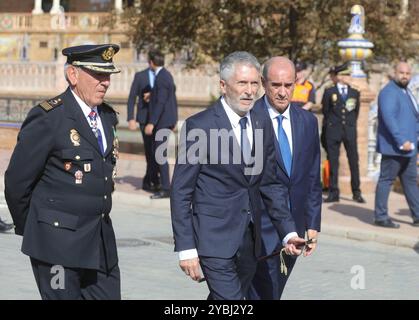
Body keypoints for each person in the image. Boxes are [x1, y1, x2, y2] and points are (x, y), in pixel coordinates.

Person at [170, 51, 306, 300]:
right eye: (242, 83)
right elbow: (181, 191)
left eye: (254, 83)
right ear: (223, 85)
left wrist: (288, 232)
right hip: (214, 240)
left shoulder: (261, 122)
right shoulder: (200, 127)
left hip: (250, 243)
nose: (249, 91)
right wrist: (186, 248)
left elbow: (270, 183)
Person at [5, 44, 121, 300]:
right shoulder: (49, 117)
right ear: (73, 75)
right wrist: (39, 229)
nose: (105, 83)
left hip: (100, 243)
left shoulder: (107, 117)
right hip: (57, 246)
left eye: (108, 75)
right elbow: (17, 182)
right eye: (98, 75)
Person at [247, 57, 321, 300]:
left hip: (295, 230)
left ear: (296, 83)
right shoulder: (247, 119)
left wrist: (312, 223)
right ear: (263, 83)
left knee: (273, 290)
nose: (282, 92)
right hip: (258, 229)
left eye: (288, 85)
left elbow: (311, 176)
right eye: (275, 85)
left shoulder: (307, 122)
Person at [374, 61, 419, 228]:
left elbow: (414, 118)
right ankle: (380, 216)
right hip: (394, 148)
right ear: (394, 72)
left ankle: (417, 215)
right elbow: (389, 119)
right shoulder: (389, 92)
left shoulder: (406, 92)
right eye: (402, 72)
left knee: (410, 181)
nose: (405, 76)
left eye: (408, 73)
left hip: (410, 148)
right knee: (386, 180)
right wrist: (401, 140)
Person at [322, 63, 366, 203]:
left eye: (349, 74)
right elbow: (326, 111)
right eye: (346, 74)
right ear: (339, 76)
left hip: (349, 131)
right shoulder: (329, 91)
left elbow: (355, 112)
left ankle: (356, 192)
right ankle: (333, 192)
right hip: (333, 131)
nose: (348, 77)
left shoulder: (355, 92)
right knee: (333, 162)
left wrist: (350, 125)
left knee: (354, 161)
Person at [145, 50, 178, 199]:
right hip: (166, 120)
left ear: (151, 62)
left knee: (160, 155)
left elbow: (162, 102)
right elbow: (169, 97)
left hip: (162, 122)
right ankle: (162, 185)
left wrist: (152, 122)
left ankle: (166, 188)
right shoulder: (165, 75)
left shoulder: (161, 77)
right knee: (158, 153)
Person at [127, 64, 160, 192]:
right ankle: (152, 180)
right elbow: (131, 98)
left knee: (157, 150)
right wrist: (131, 118)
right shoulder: (140, 76)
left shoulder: (163, 75)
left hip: (159, 119)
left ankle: (151, 179)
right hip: (144, 119)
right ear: (151, 61)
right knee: (149, 150)